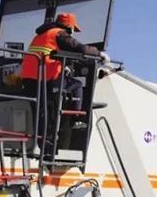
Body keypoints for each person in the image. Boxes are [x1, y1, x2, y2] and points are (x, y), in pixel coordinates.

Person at [19, 12, 109, 140]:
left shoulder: (41, 35)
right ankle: (76, 119)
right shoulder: (59, 34)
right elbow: (81, 49)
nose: (72, 33)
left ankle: (41, 140)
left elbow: (48, 54)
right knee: (76, 85)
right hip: (46, 77)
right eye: (72, 30)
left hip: (28, 78)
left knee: (39, 111)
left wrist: (63, 66)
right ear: (69, 27)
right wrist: (100, 54)